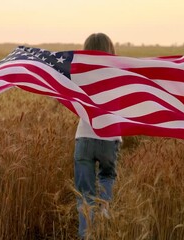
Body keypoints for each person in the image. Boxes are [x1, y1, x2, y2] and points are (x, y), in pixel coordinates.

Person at [74, 33, 121, 238]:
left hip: (84, 137)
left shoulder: (79, 74)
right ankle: (104, 217)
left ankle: (86, 235)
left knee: (85, 196)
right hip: (109, 139)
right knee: (107, 176)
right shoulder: (118, 73)